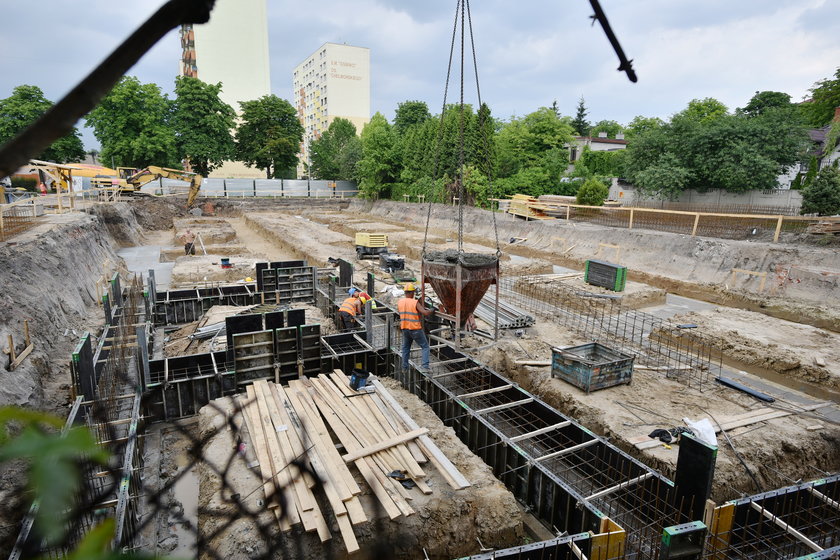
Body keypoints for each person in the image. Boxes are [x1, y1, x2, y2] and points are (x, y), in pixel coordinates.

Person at [398, 282, 432, 371]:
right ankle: (425, 366)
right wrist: (432, 310)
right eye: (413, 292)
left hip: (405, 329)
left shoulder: (400, 302)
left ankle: (404, 367)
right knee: (425, 346)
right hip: (415, 329)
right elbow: (425, 313)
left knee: (406, 348)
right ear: (411, 292)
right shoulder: (414, 302)